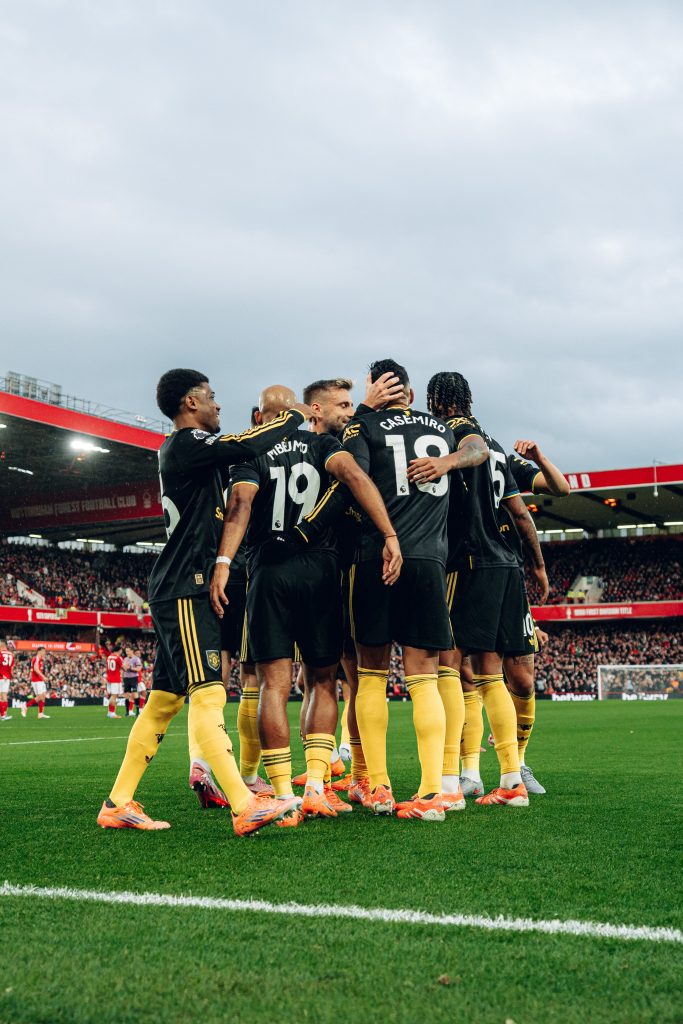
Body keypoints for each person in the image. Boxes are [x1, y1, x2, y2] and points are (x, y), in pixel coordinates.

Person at [97, 368, 307, 835]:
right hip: (185, 587)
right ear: (191, 402)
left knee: (162, 703)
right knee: (209, 694)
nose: (218, 404)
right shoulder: (187, 442)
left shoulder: (187, 451)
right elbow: (247, 443)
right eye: (211, 397)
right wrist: (293, 416)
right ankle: (243, 803)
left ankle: (118, 801)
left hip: (178, 585)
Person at [210, 383, 401, 825]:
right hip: (320, 570)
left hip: (269, 571)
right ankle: (316, 785)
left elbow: (240, 504)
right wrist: (390, 534)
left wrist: (223, 562)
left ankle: (281, 795)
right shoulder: (323, 446)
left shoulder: (253, 453)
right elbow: (356, 479)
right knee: (322, 681)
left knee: (273, 685)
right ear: (300, 412)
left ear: (262, 416)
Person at [414, 371, 548, 807]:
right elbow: (521, 512)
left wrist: (444, 463)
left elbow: (472, 449)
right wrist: (537, 565)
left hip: (466, 562)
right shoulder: (497, 445)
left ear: (435, 399)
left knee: (449, 668)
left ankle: (450, 782)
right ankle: (510, 780)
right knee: (490, 674)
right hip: (503, 562)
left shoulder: (453, 434)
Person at [496, 440, 570, 794]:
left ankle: (519, 763)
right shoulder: (446, 458)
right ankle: (465, 771)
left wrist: (538, 457)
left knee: (523, 680)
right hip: (459, 571)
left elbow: (561, 488)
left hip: (508, 577)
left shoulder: (503, 462)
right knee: (466, 676)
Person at [22, 646, 50, 719]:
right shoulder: (36, 658)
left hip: (40, 680)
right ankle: (25, 706)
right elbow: (36, 669)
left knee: (43, 696)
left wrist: (42, 677)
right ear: (39, 651)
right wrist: (43, 676)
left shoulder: (40, 659)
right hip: (36, 680)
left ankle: (40, 714)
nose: (44, 652)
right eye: (43, 651)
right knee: (40, 697)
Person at [122, 647, 142, 716]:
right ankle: (127, 712)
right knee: (127, 695)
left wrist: (130, 667)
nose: (127, 652)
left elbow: (138, 669)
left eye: (128, 651)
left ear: (132, 651)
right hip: (126, 678)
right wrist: (124, 668)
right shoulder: (125, 659)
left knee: (135, 694)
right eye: (126, 651)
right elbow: (123, 669)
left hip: (133, 678)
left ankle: (137, 711)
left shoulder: (136, 659)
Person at [105, 647, 124, 719]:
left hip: (109, 678)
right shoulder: (118, 658)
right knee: (114, 696)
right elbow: (123, 668)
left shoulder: (109, 657)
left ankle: (109, 712)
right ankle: (112, 713)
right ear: (119, 650)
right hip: (115, 679)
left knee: (112, 695)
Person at [0, 640, 14, 720]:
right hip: (7, 678)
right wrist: (10, 676)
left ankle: (3, 715)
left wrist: (2, 675)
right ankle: (3, 715)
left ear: (2, 645)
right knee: (4, 696)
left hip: (1, 676)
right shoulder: (11, 654)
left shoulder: (0, 653)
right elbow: (11, 669)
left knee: (1, 697)